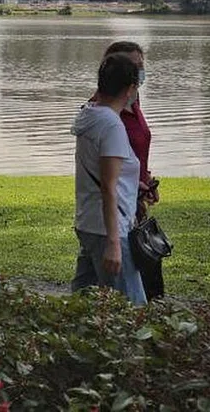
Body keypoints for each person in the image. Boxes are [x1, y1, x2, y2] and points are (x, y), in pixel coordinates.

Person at [71, 52, 146, 306]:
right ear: (129, 89)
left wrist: (135, 184)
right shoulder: (111, 125)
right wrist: (114, 243)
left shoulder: (90, 115)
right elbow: (108, 187)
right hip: (109, 231)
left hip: (89, 223)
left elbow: (103, 171)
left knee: (83, 305)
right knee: (132, 309)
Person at [101, 41, 163, 300]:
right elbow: (103, 169)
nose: (140, 73)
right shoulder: (106, 114)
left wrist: (146, 180)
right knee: (132, 290)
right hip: (118, 208)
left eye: (142, 66)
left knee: (147, 281)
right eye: (134, 67)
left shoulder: (133, 105)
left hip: (135, 205)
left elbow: (135, 152)